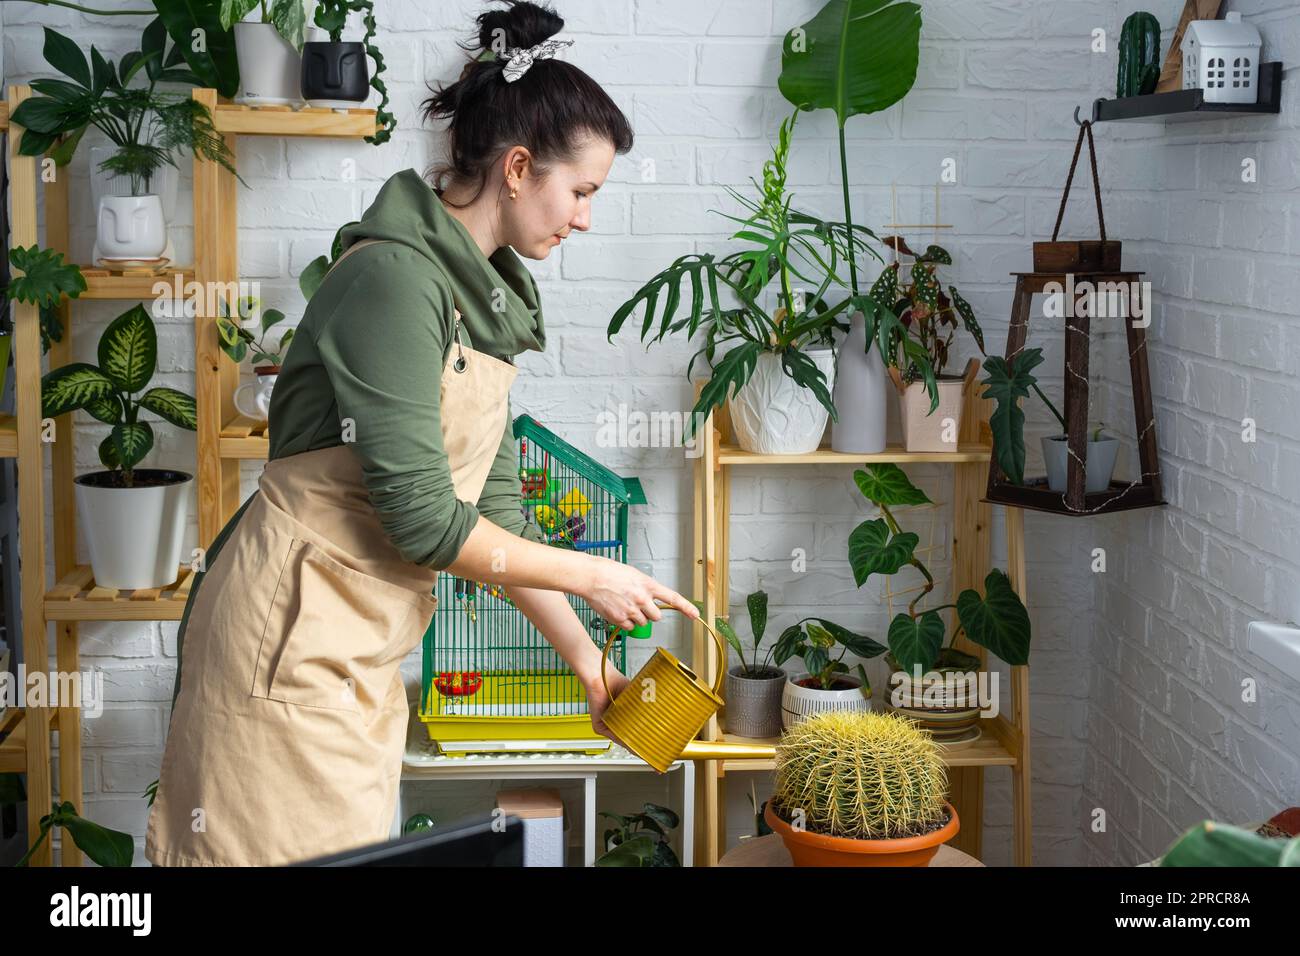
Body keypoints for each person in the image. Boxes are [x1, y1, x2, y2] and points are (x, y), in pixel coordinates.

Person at [145, 0, 698, 867]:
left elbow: (499, 521)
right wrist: (592, 572)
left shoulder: (481, 296)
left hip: (355, 650)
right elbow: (424, 521)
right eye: (582, 191)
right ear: (518, 168)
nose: (586, 216)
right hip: (286, 637)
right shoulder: (397, 281)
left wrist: (589, 664)